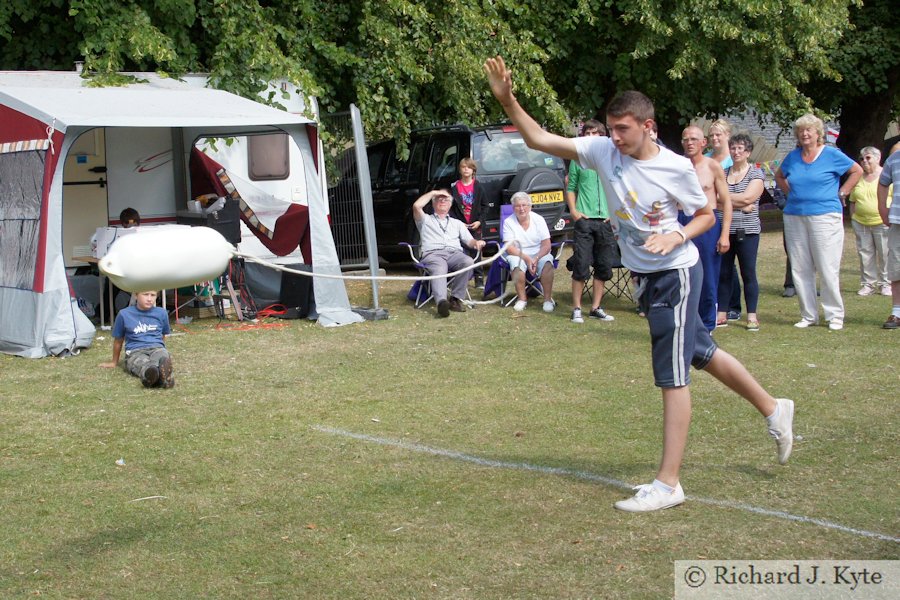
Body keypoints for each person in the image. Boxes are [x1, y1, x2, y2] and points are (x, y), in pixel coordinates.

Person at [484, 56, 794, 512]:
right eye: (610, 129)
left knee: (673, 375)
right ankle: (774, 407)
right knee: (700, 352)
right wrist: (507, 99)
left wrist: (677, 233)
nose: (614, 137)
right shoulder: (601, 151)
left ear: (648, 127)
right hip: (648, 277)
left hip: (677, 273)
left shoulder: (675, 168)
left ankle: (669, 485)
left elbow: (705, 214)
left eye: (623, 129)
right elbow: (539, 137)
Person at [775, 114, 862, 331]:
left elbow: (856, 170)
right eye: (801, 131)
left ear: (818, 133)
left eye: (809, 130)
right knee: (800, 266)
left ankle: (834, 315)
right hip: (795, 215)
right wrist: (791, 194)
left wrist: (843, 191)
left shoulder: (831, 154)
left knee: (827, 265)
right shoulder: (793, 157)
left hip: (825, 215)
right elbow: (779, 176)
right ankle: (808, 315)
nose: (805, 134)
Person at [680, 125, 731, 332]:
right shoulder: (678, 165)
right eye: (685, 139)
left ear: (703, 143)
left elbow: (726, 201)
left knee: (708, 273)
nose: (689, 143)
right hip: (681, 218)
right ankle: (685, 320)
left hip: (707, 221)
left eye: (693, 139)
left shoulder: (712, 166)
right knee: (681, 272)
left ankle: (707, 324)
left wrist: (725, 234)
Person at [567, 120, 617, 323]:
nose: (591, 136)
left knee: (604, 265)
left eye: (595, 133)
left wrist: (614, 213)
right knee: (581, 263)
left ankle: (596, 307)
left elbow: (619, 187)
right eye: (587, 133)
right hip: (585, 219)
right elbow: (571, 187)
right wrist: (574, 211)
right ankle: (577, 308)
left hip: (605, 220)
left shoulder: (611, 159)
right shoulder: (577, 160)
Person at [412, 189, 487, 318]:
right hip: (433, 254)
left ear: (450, 205)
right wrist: (434, 192)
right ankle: (441, 302)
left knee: (468, 261)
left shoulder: (457, 223)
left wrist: (477, 242)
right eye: (438, 199)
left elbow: (469, 241)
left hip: (454, 254)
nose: (442, 201)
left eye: (445, 199)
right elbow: (416, 206)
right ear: (433, 203)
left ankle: (455, 299)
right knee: (440, 267)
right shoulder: (425, 220)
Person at [717, 134, 765, 331]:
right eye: (733, 148)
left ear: (748, 152)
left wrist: (726, 201)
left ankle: (752, 315)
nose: (736, 152)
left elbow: (748, 198)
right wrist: (740, 204)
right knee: (724, 272)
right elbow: (715, 198)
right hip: (723, 230)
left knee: (748, 273)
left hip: (748, 231)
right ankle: (722, 313)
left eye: (741, 149)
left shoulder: (756, 174)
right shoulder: (722, 172)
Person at [99, 290, 175, 388]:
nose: (149, 299)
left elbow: (162, 336)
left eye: (153, 295)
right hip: (135, 351)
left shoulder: (161, 313)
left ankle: (162, 375)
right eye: (145, 294)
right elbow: (118, 340)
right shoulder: (124, 314)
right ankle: (151, 376)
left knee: (162, 357)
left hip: (157, 348)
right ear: (136, 295)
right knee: (143, 363)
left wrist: (160, 347)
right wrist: (114, 362)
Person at [503, 191, 556, 312]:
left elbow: (546, 244)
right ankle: (522, 299)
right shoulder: (508, 222)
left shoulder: (539, 219)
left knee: (547, 262)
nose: (521, 209)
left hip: (539, 253)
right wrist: (527, 259)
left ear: (530, 206)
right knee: (516, 264)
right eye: (517, 206)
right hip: (518, 253)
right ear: (513, 208)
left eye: (524, 205)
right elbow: (509, 248)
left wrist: (536, 258)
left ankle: (547, 300)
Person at [849, 147, 891, 297]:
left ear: (877, 158)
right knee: (865, 254)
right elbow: (852, 200)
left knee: (885, 253)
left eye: (868, 158)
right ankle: (868, 284)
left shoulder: (886, 175)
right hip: (861, 222)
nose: (864, 161)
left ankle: (886, 284)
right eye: (862, 159)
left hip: (882, 222)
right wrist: (853, 218)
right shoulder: (858, 177)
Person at [449, 158, 487, 289]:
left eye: (469, 167)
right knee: (460, 252)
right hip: (460, 225)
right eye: (463, 167)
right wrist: (458, 223)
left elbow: (485, 206)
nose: (466, 169)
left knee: (476, 253)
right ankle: (458, 279)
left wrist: (479, 221)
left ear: (473, 171)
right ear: (460, 169)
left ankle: (479, 279)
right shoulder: (454, 187)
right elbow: (451, 208)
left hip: (475, 225)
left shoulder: (479, 187)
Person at [878, 145, 900, 329]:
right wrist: (882, 208)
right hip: (898, 222)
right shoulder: (894, 159)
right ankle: (896, 313)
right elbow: (883, 183)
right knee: (896, 268)